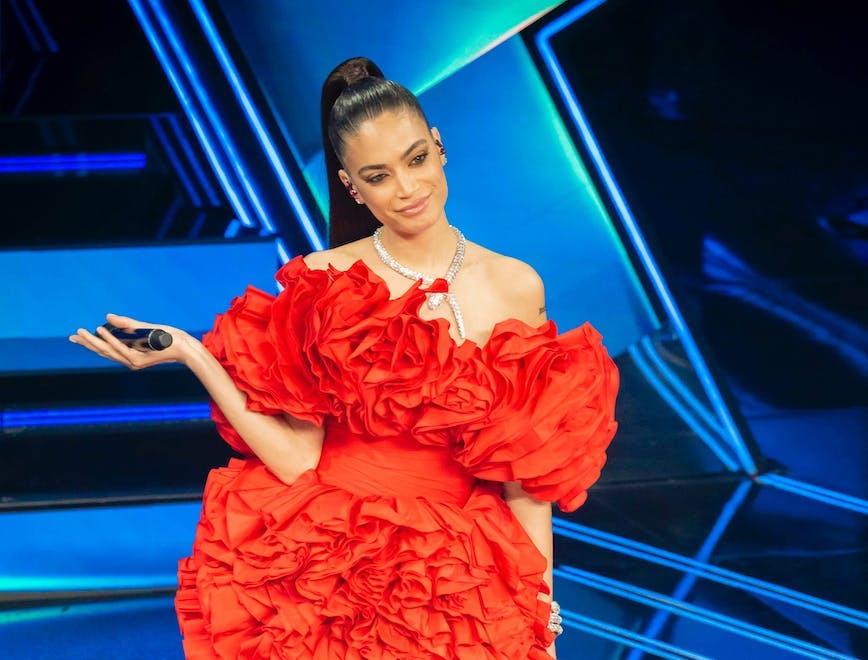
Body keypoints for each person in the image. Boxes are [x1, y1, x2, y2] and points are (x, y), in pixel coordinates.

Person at [68, 56, 620, 659]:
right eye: (379, 176)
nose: (407, 189)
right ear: (352, 185)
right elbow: (300, 461)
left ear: (438, 148)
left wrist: (540, 621)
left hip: (459, 577)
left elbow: (526, 477)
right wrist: (194, 355)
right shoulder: (323, 282)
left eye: (416, 160)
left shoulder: (516, 285)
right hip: (332, 562)